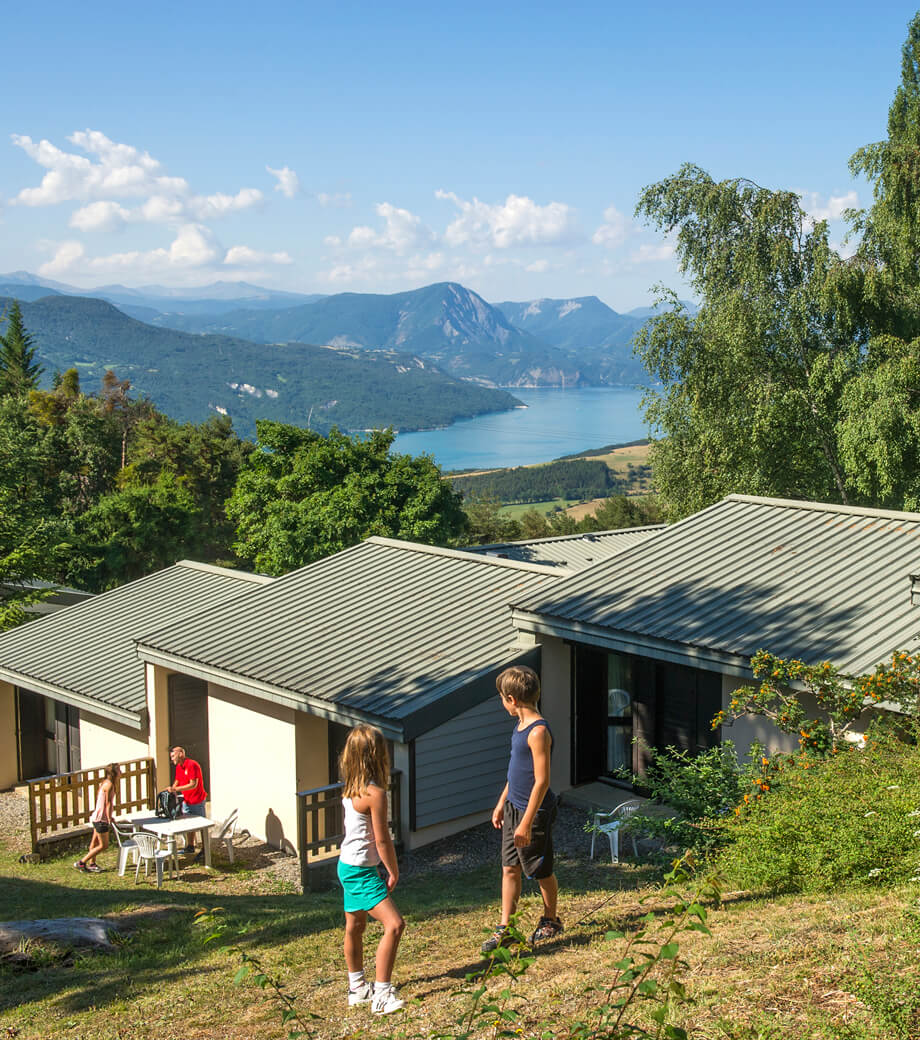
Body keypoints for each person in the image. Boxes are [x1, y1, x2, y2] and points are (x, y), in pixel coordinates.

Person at [481, 664, 563, 954]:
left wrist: (526, 822)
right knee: (509, 868)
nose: (503, 703)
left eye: (502, 698)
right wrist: (502, 802)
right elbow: (516, 770)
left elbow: (542, 781)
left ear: (512, 699)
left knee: (539, 868)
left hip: (535, 812)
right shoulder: (519, 725)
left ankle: (551, 919)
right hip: (514, 807)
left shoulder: (538, 731)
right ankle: (507, 928)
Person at [337, 723, 406, 1015]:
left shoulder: (351, 789)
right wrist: (393, 870)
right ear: (378, 756)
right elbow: (382, 838)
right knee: (394, 925)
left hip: (346, 866)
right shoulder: (375, 794)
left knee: (355, 926)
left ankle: (357, 988)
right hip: (362, 872)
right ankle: (382, 994)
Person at [75, 763, 120, 873]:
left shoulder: (105, 783)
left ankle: (92, 864)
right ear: (114, 773)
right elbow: (108, 803)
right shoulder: (110, 785)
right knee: (103, 845)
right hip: (101, 819)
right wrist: (109, 818)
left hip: (96, 816)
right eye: (119, 770)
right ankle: (81, 863)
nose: (121, 772)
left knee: (94, 843)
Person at [167, 745, 208, 855]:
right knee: (190, 825)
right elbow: (177, 780)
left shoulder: (191, 765)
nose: (172, 759)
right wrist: (172, 789)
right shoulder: (179, 767)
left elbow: (193, 784)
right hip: (187, 800)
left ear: (181, 754)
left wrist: (175, 789)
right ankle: (190, 846)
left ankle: (205, 848)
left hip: (197, 800)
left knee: (202, 825)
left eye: (173, 756)